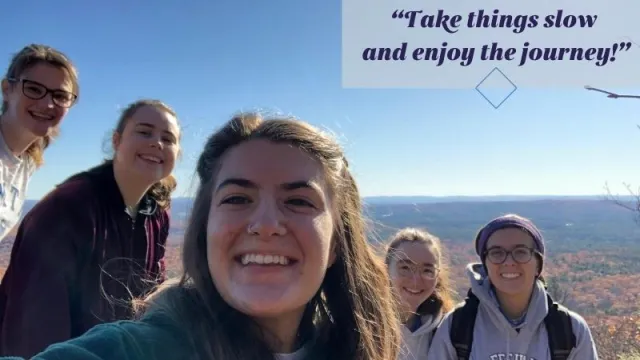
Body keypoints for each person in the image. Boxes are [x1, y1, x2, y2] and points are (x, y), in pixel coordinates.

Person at [8, 112, 402, 360]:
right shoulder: (139, 349)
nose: (265, 224)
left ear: (336, 242)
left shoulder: (351, 345)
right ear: (204, 231)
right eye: (237, 198)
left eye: (298, 201)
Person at [0, 99, 181, 358]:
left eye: (169, 138)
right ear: (117, 141)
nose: (157, 143)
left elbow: (150, 295)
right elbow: (35, 324)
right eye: (144, 131)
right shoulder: (67, 209)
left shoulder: (156, 212)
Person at [427, 214, 599, 360]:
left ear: (538, 265)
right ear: (486, 264)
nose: (509, 262)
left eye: (521, 251)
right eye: (497, 253)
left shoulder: (569, 330)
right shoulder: (458, 326)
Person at [0, 44, 79, 242]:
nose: (48, 104)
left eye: (60, 96)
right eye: (34, 89)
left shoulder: (26, 162)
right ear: (7, 90)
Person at [385, 228, 455, 360]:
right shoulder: (361, 327)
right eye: (405, 268)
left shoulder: (449, 331)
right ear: (386, 269)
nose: (416, 280)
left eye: (427, 270)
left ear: (437, 277)